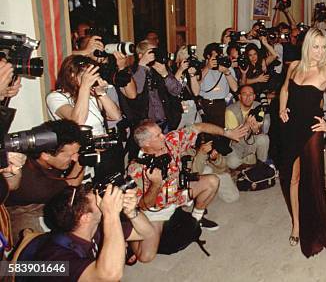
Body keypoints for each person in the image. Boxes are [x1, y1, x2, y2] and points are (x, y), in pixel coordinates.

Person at [279, 27, 326, 257]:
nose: (319, 52)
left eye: (323, 47)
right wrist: (282, 107)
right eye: (316, 46)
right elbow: (284, 89)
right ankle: (297, 226)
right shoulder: (293, 66)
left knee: (314, 183)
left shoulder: (325, 72)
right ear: (307, 45)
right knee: (293, 178)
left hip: (311, 131)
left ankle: (324, 234)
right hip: (291, 129)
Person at [126, 120, 247, 255]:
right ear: (146, 143)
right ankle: (131, 238)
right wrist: (155, 184)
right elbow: (143, 205)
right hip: (157, 210)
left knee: (212, 181)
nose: (163, 137)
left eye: (161, 133)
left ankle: (196, 218)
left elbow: (199, 127)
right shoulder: (136, 169)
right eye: (158, 136)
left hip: (178, 193)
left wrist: (227, 133)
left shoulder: (170, 141)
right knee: (145, 256)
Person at [33, 184, 157, 281]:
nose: (102, 201)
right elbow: (111, 275)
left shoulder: (96, 227)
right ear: (85, 218)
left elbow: (147, 233)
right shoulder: (55, 259)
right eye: (97, 201)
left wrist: (132, 212)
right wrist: (111, 214)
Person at [6, 120, 84, 236]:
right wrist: (82, 161)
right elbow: (74, 182)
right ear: (45, 155)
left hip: (45, 198)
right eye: (70, 155)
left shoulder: (41, 145)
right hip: (18, 208)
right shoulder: (34, 183)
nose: (74, 158)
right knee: (34, 244)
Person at [133, 41, 183, 132]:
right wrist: (142, 65)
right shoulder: (133, 71)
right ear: (141, 55)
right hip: (146, 125)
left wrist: (165, 74)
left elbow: (176, 90)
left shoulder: (160, 68)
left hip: (167, 121)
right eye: (151, 52)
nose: (154, 54)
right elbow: (137, 90)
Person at [223, 85, 270, 169]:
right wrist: (247, 125)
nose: (248, 97)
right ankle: (248, 164)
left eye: (251, 94)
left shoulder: (259, 107)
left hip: (251, 139)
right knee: (232, 163)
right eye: (244, 94)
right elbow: (234, 137)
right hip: (237, 143)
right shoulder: (231, 111)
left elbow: (262, 131)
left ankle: (262, 167)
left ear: (254, 96)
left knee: (264, 139)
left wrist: (257, 131)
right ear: (239, 96)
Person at [197, 43, 239, 127]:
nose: (217, 60)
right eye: (214, 57)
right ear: (208, 56)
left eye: (218, 57)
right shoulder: (201, 68)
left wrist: (226, 72)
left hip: (222, 104)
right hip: (206, 105)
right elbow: (195, 88)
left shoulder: (226, 66)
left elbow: (235, 88)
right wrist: (207, 68)